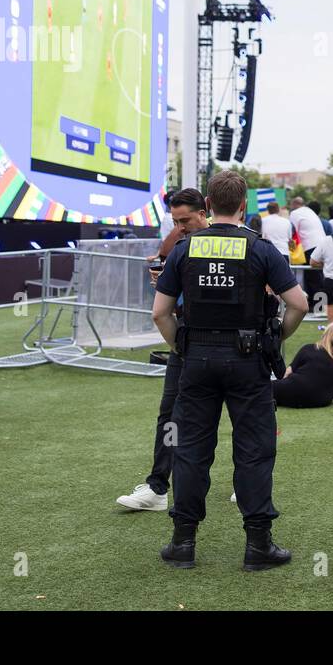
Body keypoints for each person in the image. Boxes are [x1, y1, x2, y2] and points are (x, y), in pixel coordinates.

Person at [152, 170, 309, 570]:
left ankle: (183, 544)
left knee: (190, 451)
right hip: (247, 359)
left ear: (207, 205)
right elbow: (300, 304)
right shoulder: (260, 249)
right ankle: (258, 547)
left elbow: (160, 312)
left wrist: (181, 346)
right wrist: (275, 339)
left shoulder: (185, 248)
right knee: (254, 452)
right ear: (243, 206)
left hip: (196, 360)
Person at [117, 187, 210, 511]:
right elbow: (162, 310)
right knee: (170, 416)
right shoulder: (181, 245)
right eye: (176, 220)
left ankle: (247, 484)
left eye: (185, 219)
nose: (180, 226)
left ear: (204, 212)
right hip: (187, 342)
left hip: (222, 347)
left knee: (242, 417)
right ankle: (158, 486)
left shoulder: (230, 244)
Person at [275, 322, 333, 408]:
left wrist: (281, 383)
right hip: (320, 400)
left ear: (324, 336)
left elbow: (288, 371)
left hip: (294, 389)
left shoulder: (308, 348)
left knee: (265, 390)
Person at [289, 197, 327, 306]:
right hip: (322, 243)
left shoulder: (294, 214)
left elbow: (292, 233)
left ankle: (316, 306)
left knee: (312, 277)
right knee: (319, 276)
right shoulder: (309, 211)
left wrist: (291, 251)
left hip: (310, 246)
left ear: (294, 204)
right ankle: (320, 305)